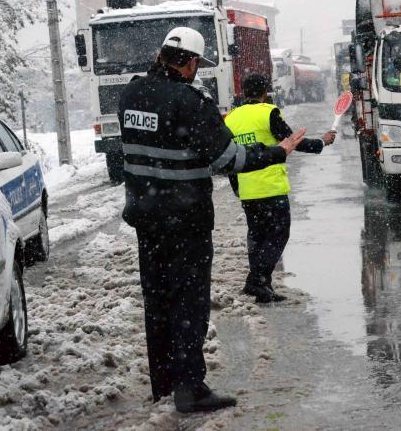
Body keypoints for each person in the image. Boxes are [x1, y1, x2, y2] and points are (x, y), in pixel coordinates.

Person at [119, 27, 306, 413]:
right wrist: (278, 152)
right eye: (196, 64)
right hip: (184, 221)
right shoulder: (190, 101)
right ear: (188, 62)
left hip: (146, 219)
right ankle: (190, 388)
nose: (196, 71)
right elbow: (228, 160)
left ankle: (164, 384)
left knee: (157, 301)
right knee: (188, 302)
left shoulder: (131, 94)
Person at [224, 73, 336, 302]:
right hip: (271, 188)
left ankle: (263, 286)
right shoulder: (268, 112)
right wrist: (322, 142)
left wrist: (236, 186)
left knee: (257, 237)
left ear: (243, 92)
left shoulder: (231, 118)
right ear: (265, 91)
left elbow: (228, 157)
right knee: (278, 234)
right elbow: (293, 141)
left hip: (247, 189)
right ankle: (256, 281)